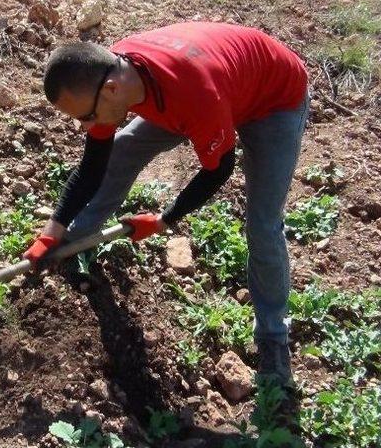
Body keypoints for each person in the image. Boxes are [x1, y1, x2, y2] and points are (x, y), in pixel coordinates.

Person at [22, 22, 309, 386]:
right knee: (123, 148)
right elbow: (93, 166)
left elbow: (218, 169)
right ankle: (77, 242)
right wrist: (52, 230)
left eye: (86, 117)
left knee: (263, 225)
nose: (83, 126)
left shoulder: (192, 95)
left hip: (273, 100)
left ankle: (273, 337)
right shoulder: (111, 76)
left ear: (111, 90)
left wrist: (163, 220)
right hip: (209, 90)